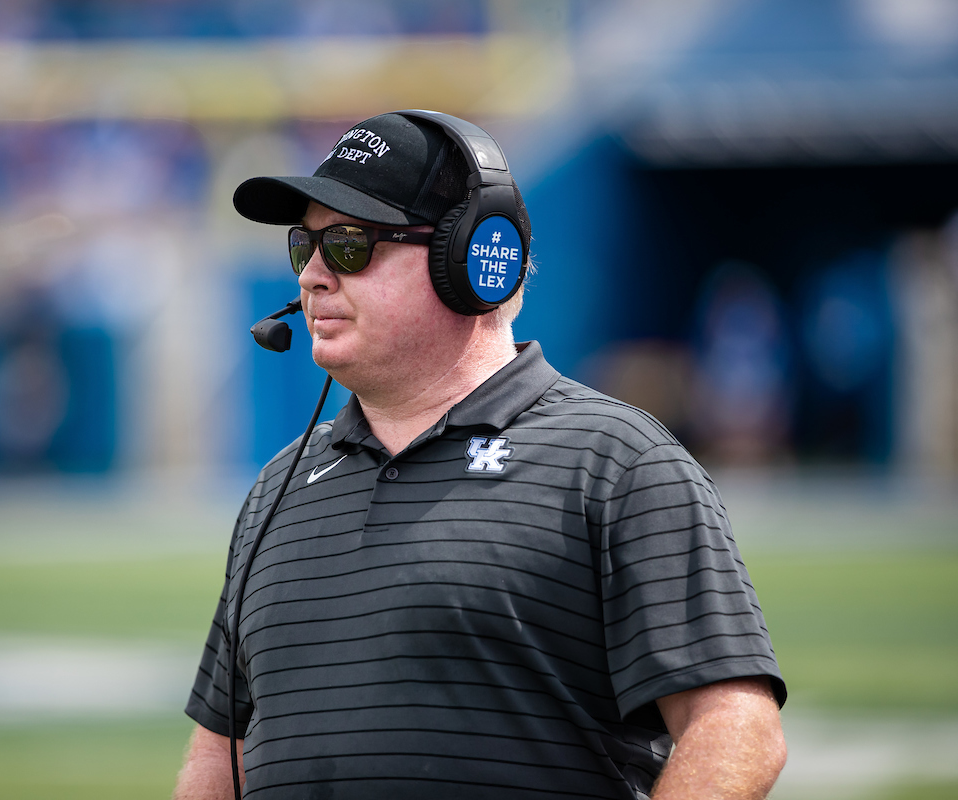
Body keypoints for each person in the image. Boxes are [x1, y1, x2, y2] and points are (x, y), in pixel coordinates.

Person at [175, 111, 787, 799]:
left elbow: (735, 727)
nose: (313, 275)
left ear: (473, 258)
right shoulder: (277, 486)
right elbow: (217, 754)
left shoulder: (619, 465)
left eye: (348, 245)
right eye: (302, 246)